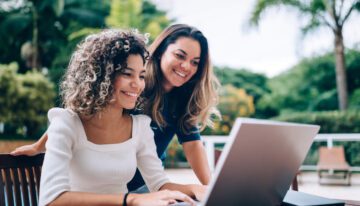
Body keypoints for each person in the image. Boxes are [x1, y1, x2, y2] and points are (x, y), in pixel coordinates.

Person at [12, 24, 221, 192]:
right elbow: (78, 115)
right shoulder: (131, 87)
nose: (186, 66)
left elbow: (193, 146)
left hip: (144, 183)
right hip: (106, 183)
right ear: (161, 52)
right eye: (180, 56)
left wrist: (210, 189)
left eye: (195, 62)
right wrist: (39, 146)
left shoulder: (182, 101)